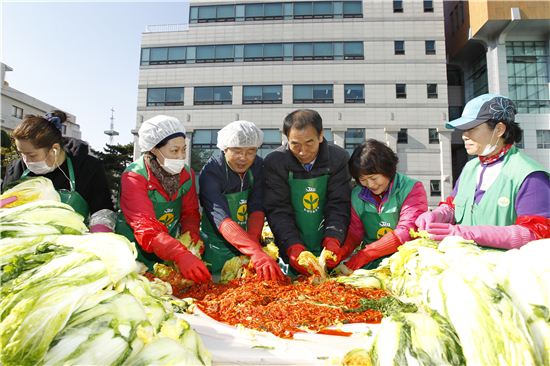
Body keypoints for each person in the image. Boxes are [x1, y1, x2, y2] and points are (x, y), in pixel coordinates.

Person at [416, 94, 550, 248]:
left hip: (505, 269)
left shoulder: (530, 176)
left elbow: (536, 233)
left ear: (499, 129)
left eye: (471, 128)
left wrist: (469, 234)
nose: (464, 136)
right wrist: (438, 215)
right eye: (463, 129)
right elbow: (454, 206)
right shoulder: (470, 168)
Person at [115, 115, 211, 283]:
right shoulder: (135, 176)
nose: (181, 156)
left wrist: (191, 237)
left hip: (167, 251)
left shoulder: (186, 174)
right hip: (132, 253)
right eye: (174, 151)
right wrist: (180, 254)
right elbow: (146, 227)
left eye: (184, 149)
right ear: (153, 149)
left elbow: (190, 212)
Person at [263, 109, 351, 275]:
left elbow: (339, 204)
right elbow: (278, 209)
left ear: (320, 136)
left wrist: (333, 239)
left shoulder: (338, 158)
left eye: (309, 143)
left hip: (329, 244)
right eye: (295, 144)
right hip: (290, 247)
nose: (303, 151)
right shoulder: (275, 162)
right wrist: (292, 246)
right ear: (286, 139)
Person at [199, 120, 285, 281]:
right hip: (217, 246)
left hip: (247, 237)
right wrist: (254, 251)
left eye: (251, 152)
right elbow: (220, 216)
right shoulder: (212, 172)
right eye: (237, 151)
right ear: (225, 148)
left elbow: (257, 206)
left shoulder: (258, 166)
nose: (243, 158)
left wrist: (252, 241)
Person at [2, 111, 115, 232]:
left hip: (72, 242)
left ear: (54, 149)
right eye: (22, 154)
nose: (26, 160)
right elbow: (5, 205)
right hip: (24, 239)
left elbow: (102, 210)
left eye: (32, 155)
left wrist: (99, 233)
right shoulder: (17, 168)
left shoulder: (87, 167)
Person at [340, 139, 428, 270]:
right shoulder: (357, 194)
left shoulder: (412, 188)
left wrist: (367, 253)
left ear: (387, 170)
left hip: (405, 262)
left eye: (374, 178)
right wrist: (341, 252)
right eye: (363, 180)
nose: (370, 185)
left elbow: (407, 231)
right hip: (371, 263)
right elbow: (354, 233)